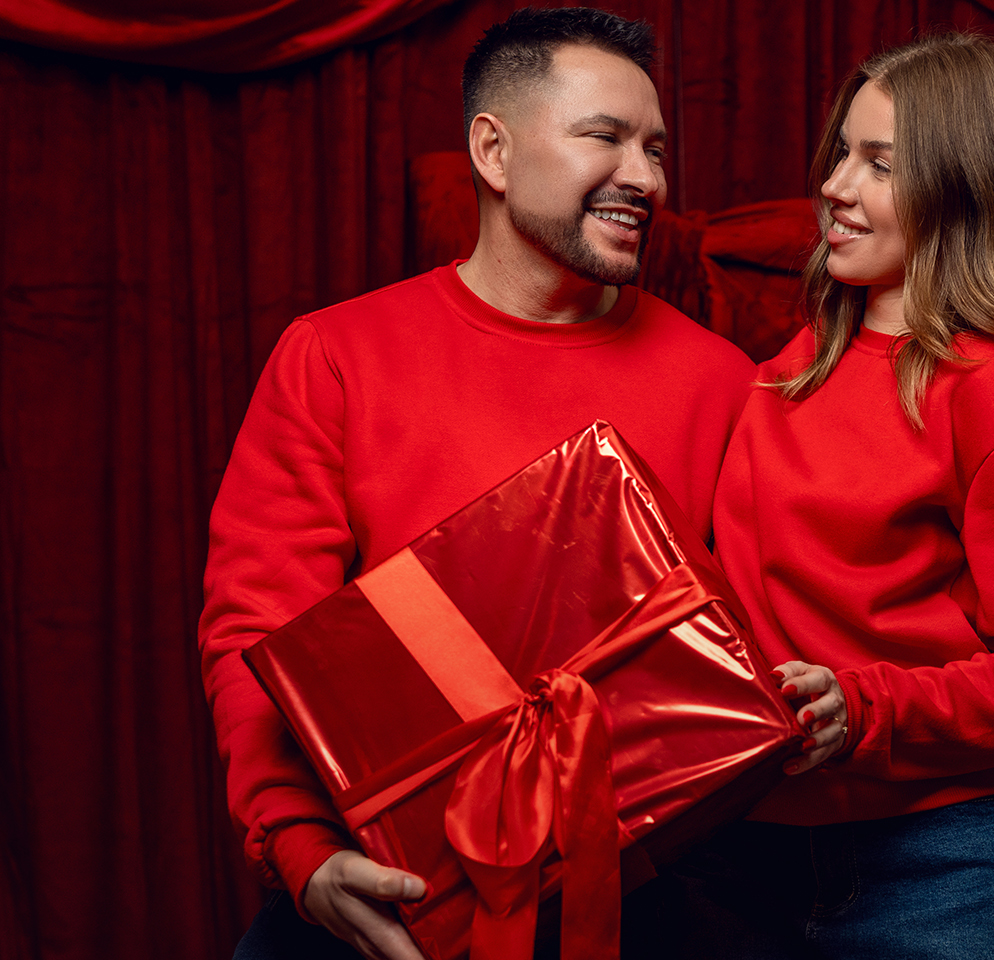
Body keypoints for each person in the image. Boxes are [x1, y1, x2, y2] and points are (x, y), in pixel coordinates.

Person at [198, 8, 755, 959]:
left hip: (645, 891)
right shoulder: (336, 356)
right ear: (493, 151)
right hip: (396, 886)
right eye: (605, 137)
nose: (647, 178)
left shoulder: (723, 382)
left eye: (656, 148)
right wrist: (300, 847)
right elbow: (258, 630)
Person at [669, 33, 994, 959]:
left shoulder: (992, 392)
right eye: (842, 153)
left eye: (880, 164)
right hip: (741, 855)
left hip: (935, 868)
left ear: (965, 188)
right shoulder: (784, 371)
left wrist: (864, 710)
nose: (835, 186)